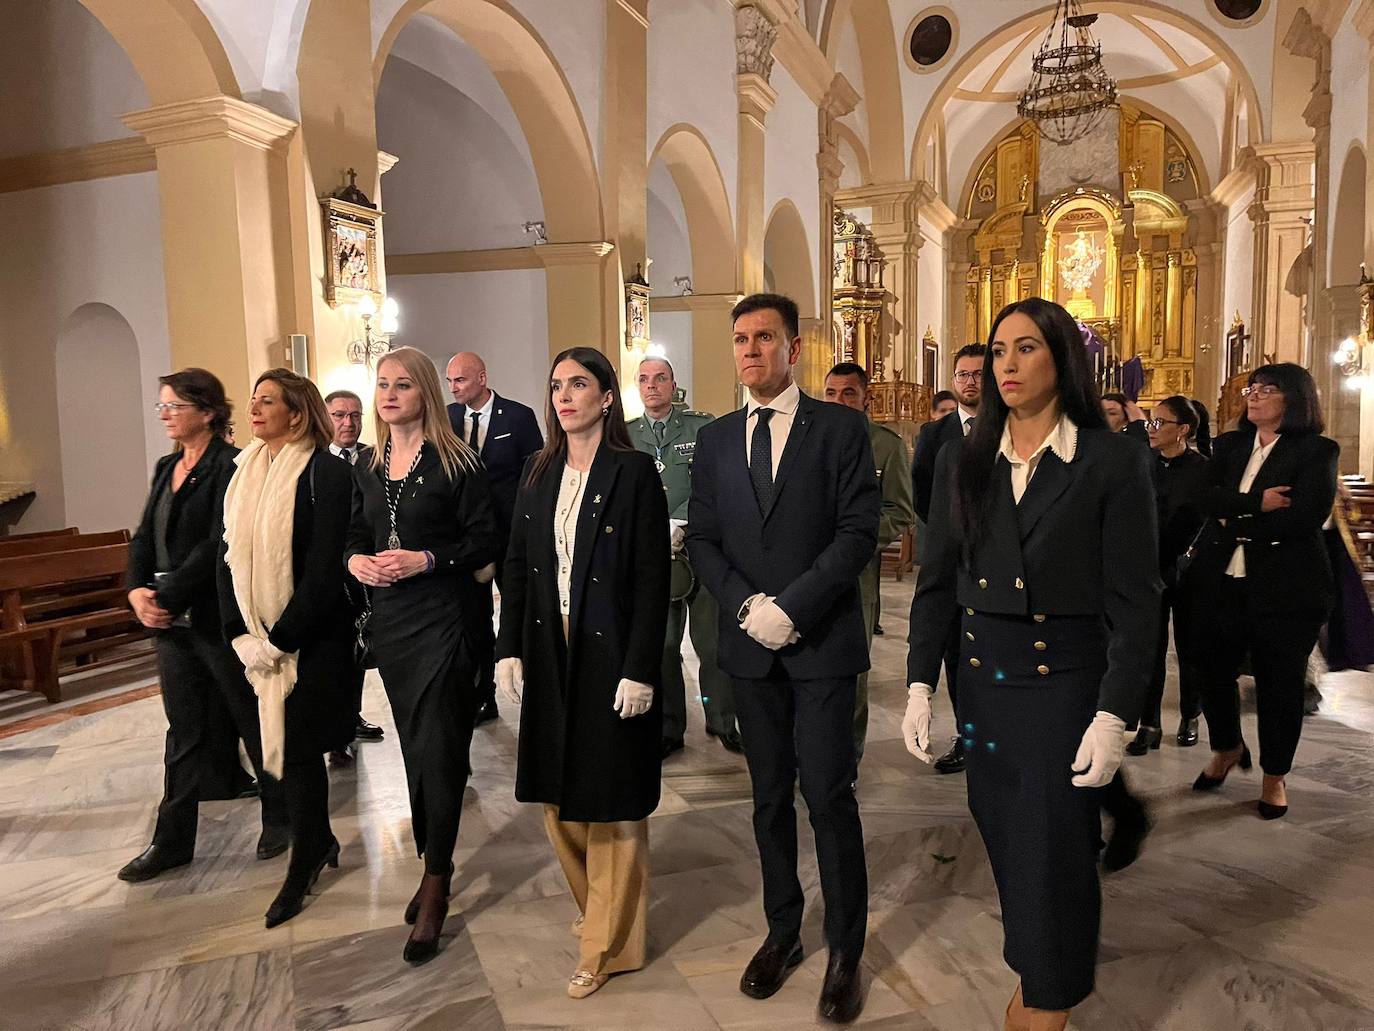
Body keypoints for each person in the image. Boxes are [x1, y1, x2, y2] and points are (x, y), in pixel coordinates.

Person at [903, 297, 1160, 1030]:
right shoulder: (966, 455)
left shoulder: (1108, 457)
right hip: (984, 690)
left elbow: (1137, 602)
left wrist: (1116, 712)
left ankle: (1046, 998)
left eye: (1025, 348)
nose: (1007, 365)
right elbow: (938, 581)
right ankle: (1042, 968)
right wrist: (921, 683)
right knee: (1011, 841)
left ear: (1062, 360)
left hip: (1064, 688)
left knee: (1054, 857)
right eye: (998, 350)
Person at [688, 293, 879, 1025]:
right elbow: (704, 538)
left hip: (822, 642)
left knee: (829, 794)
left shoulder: (840, 429)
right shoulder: (715, 440)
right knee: (768, 796)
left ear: (794, 348)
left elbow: (859, 530)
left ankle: (844, 949)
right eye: (740, 339)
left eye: (765, 337)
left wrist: (791, 607)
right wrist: (744, 608)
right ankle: (782, 930)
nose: (750, 351)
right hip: (748, 650)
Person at [495, 347, 669, 999]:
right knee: (558, 797)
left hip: (612, 650)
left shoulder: (633, 472)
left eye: (579, 384)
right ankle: (597, 906)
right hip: (550, 648)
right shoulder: (539, 472)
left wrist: (640, 668)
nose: (565, 395)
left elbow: (653, 578)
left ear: (606, 397)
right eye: (556, 385)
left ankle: (607, 944)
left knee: (612, 801)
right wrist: (508, 647)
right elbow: (517, 564)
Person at [348, 347, 500, 962]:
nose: (389, 395)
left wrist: (429, 559)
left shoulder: (456, 460)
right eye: (382, 384)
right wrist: (354, 561)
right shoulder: (368, 463)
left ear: (426, 393)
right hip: (393, 623)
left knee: (440, 746)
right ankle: (430, 857)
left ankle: (436, 879)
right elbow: (356, 533)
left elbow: (486, 540)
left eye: (402, 385)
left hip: (445, 617)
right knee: (414, 745)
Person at [119, 369, 289, 883]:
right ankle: (171, 841)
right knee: (184, 731)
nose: (166, 414)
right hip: (173, 626)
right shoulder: (166, 466)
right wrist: (135, 591)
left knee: (251, 721)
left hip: (217, 619)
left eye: (174, 405)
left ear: (209, 412)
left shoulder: (231, 467)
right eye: (162, 407)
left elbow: (220, 544)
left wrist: (167, 595)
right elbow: (144, 537)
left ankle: (282, 817)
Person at [217, 368, 355, 929]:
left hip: (310, 637)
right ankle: (317, 840)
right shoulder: (243, 470)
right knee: (284, 749)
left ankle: (306, 856)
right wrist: (239, 634)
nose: (254, 410)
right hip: (257, 638)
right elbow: (227, 555)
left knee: (297, 747)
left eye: (267, 401)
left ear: (296, 414)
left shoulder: (326, 471)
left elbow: (324, 570)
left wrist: (278, 641)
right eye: (253, 400)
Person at [1188, 363, 1338, 821]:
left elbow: (1304, 517)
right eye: (1252, 388)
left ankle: (1275, 775)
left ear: (1294, 398)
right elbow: (1203, 497)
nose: (1252, 396)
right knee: (1210, 670)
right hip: (1221, 581)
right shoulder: (1232, 445)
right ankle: (1228, 747)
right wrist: (1256, 503)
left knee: (1279, 684)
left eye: (1266, 390)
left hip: (1285, 587)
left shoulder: (1315, 451)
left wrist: (1234, 521)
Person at [627, 356, 741, 757]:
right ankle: (669, 727)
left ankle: (723, 719)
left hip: (702, 549)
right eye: (644, 379)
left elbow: (720, 487)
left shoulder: (701, 427)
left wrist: (686, 524)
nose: (652, 385)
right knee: (662, 645)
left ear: (674, 384)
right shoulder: (626, 435)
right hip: (653, 557)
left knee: (712, 644)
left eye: (660, 378)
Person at [822, 361, 914, 763]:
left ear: (866, 399)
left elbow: (898, 512)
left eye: (848, 393)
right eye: (831, 393)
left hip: (856, 578)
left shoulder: (886, 446)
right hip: (803, 573)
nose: (838, 401)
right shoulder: (808, 438)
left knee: (850, 675)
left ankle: (846, 758)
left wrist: (851, 542)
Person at [446, 351, 544, 726]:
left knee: (520, 612)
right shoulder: (448, 418)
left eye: (461, 380)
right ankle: (482, 694)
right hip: (468, 539)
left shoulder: (518, 417)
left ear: (482, 378)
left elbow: (533, 476)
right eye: (450, 380)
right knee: (475, 620)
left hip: (510, 535)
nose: (454, 387)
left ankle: (531, 686)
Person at [911, 342, 985, 775]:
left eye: (978, 374)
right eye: (963, 374)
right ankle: (966, 732)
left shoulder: (1008, 428)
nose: (970, 381)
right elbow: (923, 492)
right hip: (953, 561)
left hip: (1001, 566)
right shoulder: (935, 436)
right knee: (956, 652)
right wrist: (949, 533)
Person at [1128, 396, 1209, 755]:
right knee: (1150, 647)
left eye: (1161, 423)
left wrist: (1190, 555)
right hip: (1150, 567)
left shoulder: (1204, 469)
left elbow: (1209, 520)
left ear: (1184, 430)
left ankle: (1191, 714)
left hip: (1189, 569)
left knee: (1191, 646)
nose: (1152, 429)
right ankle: (1149, 724)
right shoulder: (1143, 464)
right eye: (1151, 422)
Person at [324, 389, 384, 766]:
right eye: (340, 415)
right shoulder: (312, 459)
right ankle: (334, 729)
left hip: (362, 570)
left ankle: (351, 716)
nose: (349, 423)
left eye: (356, 415)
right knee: (333, 654)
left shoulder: (372, 459)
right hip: (327, 571)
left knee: (358, 645)